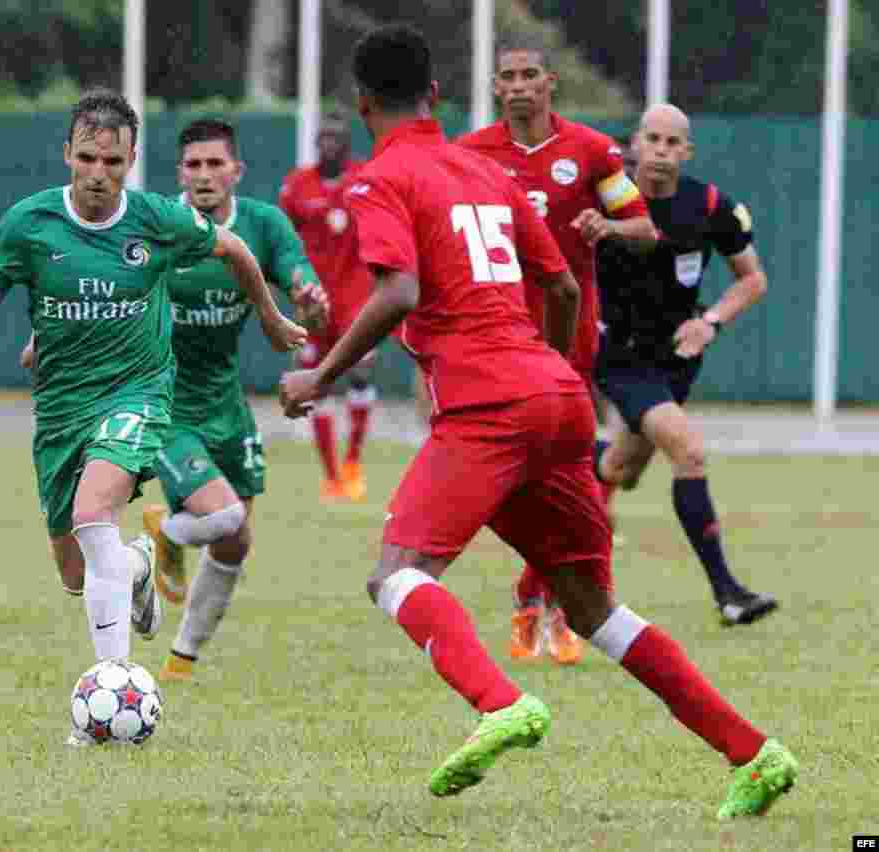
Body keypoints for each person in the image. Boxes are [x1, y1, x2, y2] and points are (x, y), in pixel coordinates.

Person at [279, 24, 796, 819]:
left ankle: (498, 703)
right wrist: (549, 372)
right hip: (555, 395)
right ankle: (754, 752)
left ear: (361, 103)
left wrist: (319, 371)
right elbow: (561, 289)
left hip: (489, 403)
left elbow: (397, 294)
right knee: (592, 608)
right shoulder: (486, 172)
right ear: (440, 98)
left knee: (398, 572)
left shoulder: (380, 179)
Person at [0, 90, 305, 744]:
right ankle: (139, 564)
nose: (98, 173)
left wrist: (272, 317)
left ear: (132, 159)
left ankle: (110, 695)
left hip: (137, 393)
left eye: (113, 160)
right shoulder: (31, 222)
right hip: (61, 407)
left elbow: (234, 250)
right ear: (68, 155)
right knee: (78, 571)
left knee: (92, 513)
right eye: (86, 157)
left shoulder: (156, 219)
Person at [458, 35, 659, 666]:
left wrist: (610, 226)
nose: (519, 85)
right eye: (508, 76)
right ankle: (534, 603)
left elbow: (645, 227)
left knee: (572, 476)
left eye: (530, 75)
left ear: (550, 84)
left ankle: (556, 605)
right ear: (496, 88)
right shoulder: (470, 154)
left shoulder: (592, 152)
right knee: (520, 481)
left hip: (569, 340)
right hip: (497, 340)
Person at [135, 118, 329, 682]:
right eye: (193, 165)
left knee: (236, 539)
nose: (204, 175)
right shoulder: (157, 225)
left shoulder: (263, 225)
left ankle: (182, 658)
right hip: (164, 403)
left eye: (215, 164)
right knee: (223, 513)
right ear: (180, 173)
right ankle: (164, 531)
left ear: (236, 171)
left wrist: (308, 298)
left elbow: (299, 279)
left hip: (226, 402)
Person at [594, 103, 776, 626]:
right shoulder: (606, 200)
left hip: (674, 359)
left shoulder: (711, 204)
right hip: (619, 357)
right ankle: (729, 593)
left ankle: (575, 469)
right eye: (652, 139)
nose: (661, 152)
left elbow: (752, 279)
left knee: (621, 470)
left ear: (686, 151)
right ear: (634, 145)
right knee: (688, 451)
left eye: (673, 143)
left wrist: (711, 322)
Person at [279, 110, 378, 501]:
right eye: (322, 138)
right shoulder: (297, 186)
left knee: (361, 376)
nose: (328, 144)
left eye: (336, 138)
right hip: (314, 304)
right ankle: (331, 475)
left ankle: (353, 462)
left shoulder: (365, 180)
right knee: (314, 386)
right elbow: (282, 242)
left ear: (347, 143)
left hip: (358, 302)